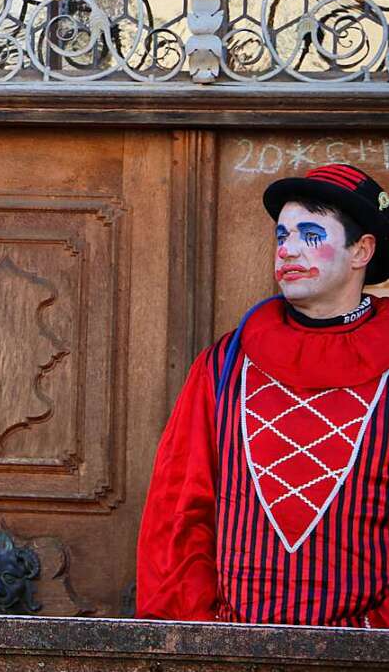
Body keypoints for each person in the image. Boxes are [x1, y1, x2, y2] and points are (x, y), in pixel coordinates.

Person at [136, 163, 389, 627]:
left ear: (362, 250)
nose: (288, 250)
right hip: (232, 643)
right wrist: (198, 637)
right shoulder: (223, 364)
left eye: (310, 234)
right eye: (282, 235)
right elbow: (179, 510)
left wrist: (372, 634)